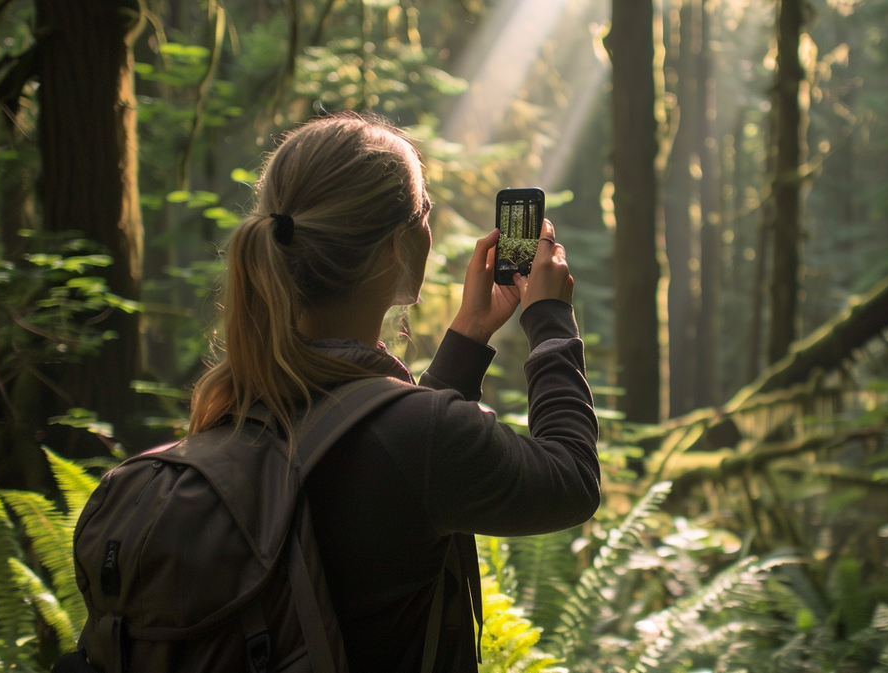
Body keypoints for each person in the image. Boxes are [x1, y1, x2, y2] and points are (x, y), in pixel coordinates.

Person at [186, 112, 600, 672]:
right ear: (392, 249)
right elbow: (572, 480)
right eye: (424, 210)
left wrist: (470, 333)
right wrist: (549, 321)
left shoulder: (235, 405)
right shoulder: (419, 439)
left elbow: (390, 443)